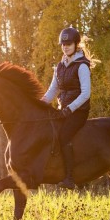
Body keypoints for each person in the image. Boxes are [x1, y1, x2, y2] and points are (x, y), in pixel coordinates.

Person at [41, 26, 98, 190]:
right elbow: (53, 90)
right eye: (63, 44)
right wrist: (40, 104)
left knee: (63, 136)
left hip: (78, 111)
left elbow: (86, 93)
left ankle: (70, 177)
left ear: (76, 44)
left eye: (69, 43)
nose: (65, 47)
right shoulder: (59, 67)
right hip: (63, 110)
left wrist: (70, 109)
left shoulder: (81, 66)